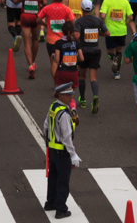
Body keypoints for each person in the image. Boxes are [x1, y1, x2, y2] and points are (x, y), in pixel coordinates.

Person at [43, 82, 81, 220]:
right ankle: (61, 209)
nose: (71, 97)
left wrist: (47, 143)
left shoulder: (53, 106)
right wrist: (73, 154)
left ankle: (51, 202)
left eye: (71, 94)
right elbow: (66, 137)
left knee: (53, 177)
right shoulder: (64, 114)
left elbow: (46, 125)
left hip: (52, 150)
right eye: (68, 95)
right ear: (61, 95)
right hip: (62, 151)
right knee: (63, 180)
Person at [74, 0, 109, 113]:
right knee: (93, 78)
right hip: (96, 51)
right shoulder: (97, 20)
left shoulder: (79, 21)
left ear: (82, 9)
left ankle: (83, 99)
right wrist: (98, 33)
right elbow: (107, 33)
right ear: (92, 8)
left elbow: (77, 35)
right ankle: (95, 96)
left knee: (82, 76)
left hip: (83, 52)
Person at [100, 0, 135, 78]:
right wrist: (125, 22)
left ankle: (114, 58)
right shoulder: (125, 1)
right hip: (122, 31)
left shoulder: (107, 0)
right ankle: (117, 73)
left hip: (110, 31)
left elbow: (102, 16)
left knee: (110, 52)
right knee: (119, 51)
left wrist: (103, 26)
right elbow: (131, 17)